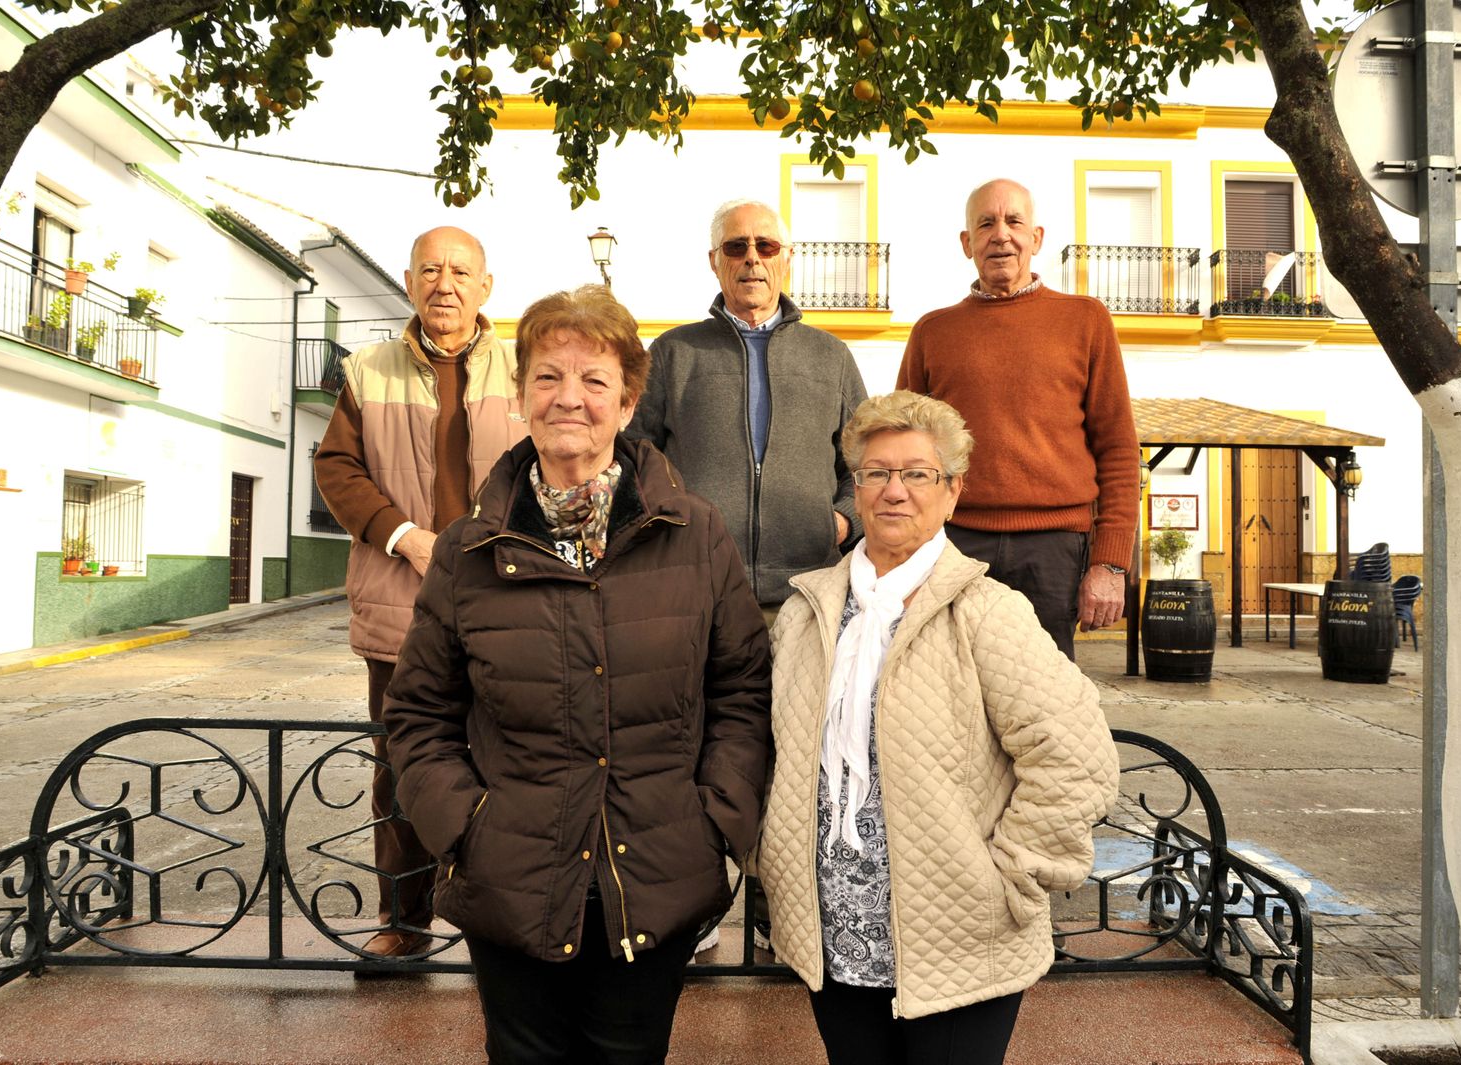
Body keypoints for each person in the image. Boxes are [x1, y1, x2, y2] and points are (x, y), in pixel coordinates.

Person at [383, 286, 771, 1065]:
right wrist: (466, 828)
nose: (571, 399)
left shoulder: (694, 533)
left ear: (628, 404)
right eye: (549, 377)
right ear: (522, 397)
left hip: (657, 871)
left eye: (595, 381)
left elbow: (742, 691)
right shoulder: (468, 549)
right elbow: (418, 714)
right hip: (512, 875)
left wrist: (714, 820)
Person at [756, 391, 1119, 1065]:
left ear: (952, 492)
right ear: (856, 489)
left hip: (959, 938)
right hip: (837, 936)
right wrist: (771, 861)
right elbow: (774, 756)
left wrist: (1009, 876)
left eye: (917, 474)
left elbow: (1078, 759)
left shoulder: (987, 612)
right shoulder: (806, 613)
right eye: (877, 472)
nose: (895, 490)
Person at [314, 225, 526, 959]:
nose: (445, 284)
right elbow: (337, 470)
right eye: (430, 270)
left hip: (508, 610)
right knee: (402, 769)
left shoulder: (526, 366)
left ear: (486, 286)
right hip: (400, 608)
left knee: (508, 767)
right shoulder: (366, 370)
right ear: (409, 283)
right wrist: (404, 535)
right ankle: (402, 922)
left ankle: (497, 926)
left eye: (461, 271)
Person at [896, 178, 1139, 660]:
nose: (1000, 234)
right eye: (985, 223)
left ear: (1037, 238)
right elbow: (904, 448)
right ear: (967, 243)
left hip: (1054, 551)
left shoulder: (1086, 320)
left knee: (1045, 700)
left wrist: (1111, 563)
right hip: (953, 543)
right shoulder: (932, 331)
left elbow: (1117, 447)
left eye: (1014, 222)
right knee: (946, 691)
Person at [627, 198, 868, 614]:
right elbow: (633, 457)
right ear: (714, 261)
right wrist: (668, 527)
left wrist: (843, 520)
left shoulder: (831, 356)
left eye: (767, 247)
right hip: (697, 589)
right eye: (736, 247)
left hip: (809, 592)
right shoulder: (674, 352)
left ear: (787, 259)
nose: (752, 258)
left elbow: (866, 462)